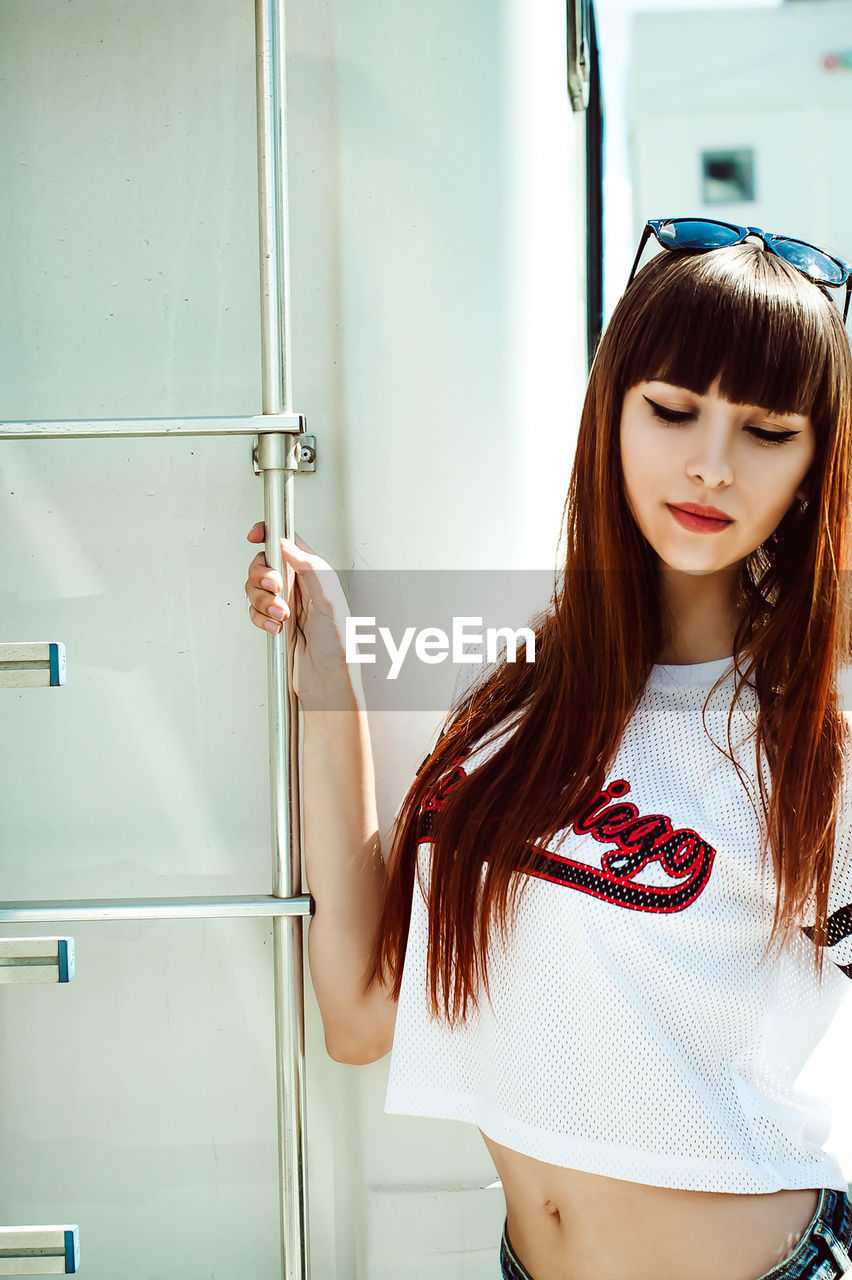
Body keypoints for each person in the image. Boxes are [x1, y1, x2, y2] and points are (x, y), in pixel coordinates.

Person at [244, 219, 852, 1280]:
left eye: (766, 430)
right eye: (672, 409)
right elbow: (358, 1008)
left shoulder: (813, 741)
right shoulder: (512, 715)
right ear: (610, 413)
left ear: (813, 464)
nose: (710, 464)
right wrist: (327, 669)